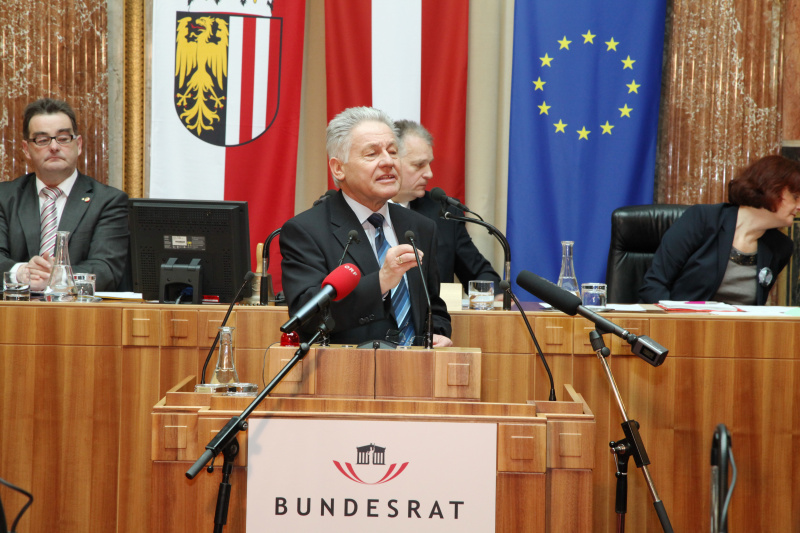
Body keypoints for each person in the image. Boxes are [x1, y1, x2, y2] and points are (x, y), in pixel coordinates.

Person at [281, 107, 453, 346]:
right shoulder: (306, 231)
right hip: (348, 374)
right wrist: (382, 281)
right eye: (372, 154)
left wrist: (440, 332)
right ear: (338, 168)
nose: (388, 162)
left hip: (419, 373)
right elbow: (308, 319)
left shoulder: (420, 227)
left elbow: (433, 305)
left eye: (393, 152)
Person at [0, 98, 130, 292]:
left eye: (63, 138)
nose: (54, 147)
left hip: (79, 317)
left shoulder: (108, 201)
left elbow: (106, 270)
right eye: (42, 140)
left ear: (78, 144)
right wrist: (21, 272)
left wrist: (56, 278)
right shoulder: (4, 197)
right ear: (26, 149)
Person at [639, 155, 800, 305]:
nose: (799, 206)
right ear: (770, 187)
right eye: (795, 197)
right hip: (679, 329)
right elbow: (654, 285)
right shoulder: (702, 219)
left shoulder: (781, 246)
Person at [392, 119, 501, 293]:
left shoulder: (443, 212)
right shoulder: (363, 210)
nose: (429, 174)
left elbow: (478, 272)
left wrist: (496, 295)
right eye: (419, 165)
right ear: (391, 162)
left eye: (429, 164)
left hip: (435, 319)